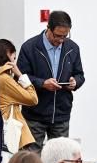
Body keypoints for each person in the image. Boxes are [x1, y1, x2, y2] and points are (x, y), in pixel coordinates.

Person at [16, 10, 84, 147]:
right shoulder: (29, 47)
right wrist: (42, 83)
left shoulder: (73, 48)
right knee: (31, 159)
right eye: (58, 36)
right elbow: (20, 77)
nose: (61, 40)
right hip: (34, 114)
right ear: (48, 28)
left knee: (60, 161)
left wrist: (75, 82)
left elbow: (80, 74)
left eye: (65, 36)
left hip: (61, 115)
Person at [0, 38, 38, 151]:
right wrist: (20, 75)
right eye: (14, 58)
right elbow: (33, 98)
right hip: (8, 130)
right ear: (8, 56)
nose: (15, 62)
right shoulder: (5, 79)